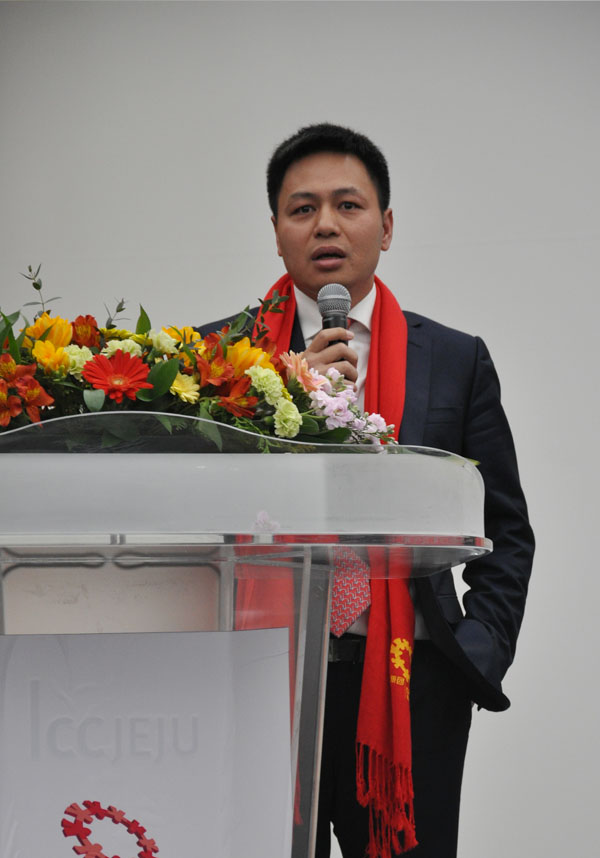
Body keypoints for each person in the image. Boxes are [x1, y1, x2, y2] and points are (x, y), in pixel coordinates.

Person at [198, 123, 534, 858]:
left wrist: (475, 651)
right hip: (256, 675)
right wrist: (285, 393)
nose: (325, 224)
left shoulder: (453, 360)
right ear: (277, 233)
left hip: (411, 684)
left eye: (347, 205)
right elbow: (195, 508)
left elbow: (507, 529)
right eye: (303, 208)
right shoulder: (220, 357)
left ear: (385, 226)